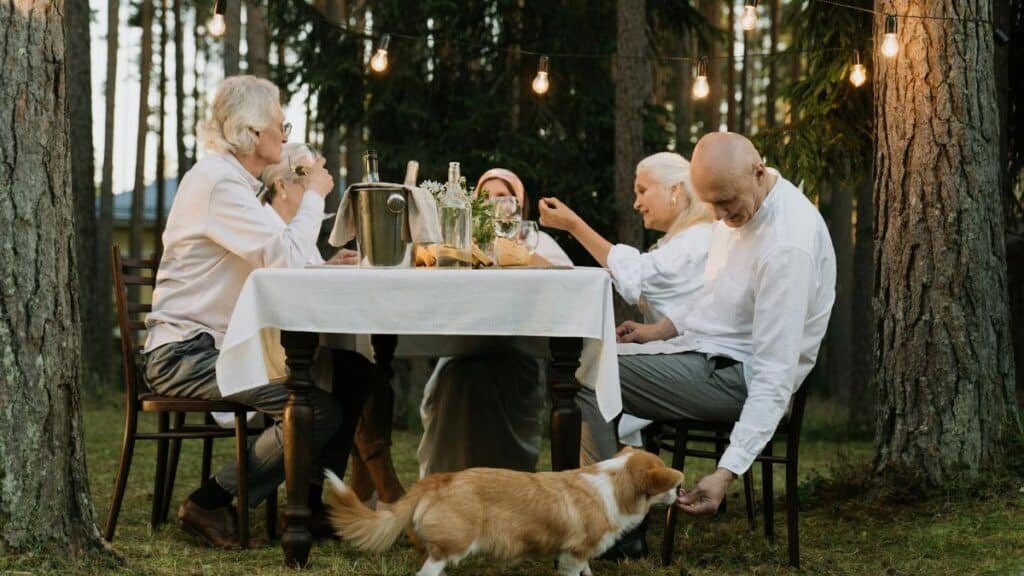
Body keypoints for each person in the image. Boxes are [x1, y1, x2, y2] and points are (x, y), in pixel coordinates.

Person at [576, 133, 836, 558]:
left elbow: (774, 377)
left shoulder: (786, 247)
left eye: (725, 202)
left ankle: (616, 530)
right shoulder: (739, 207)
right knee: (597, 357)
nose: (718, 215)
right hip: (711, 355)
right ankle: (618, 515)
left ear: (757, 172)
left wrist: (727, 471)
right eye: (710, 203)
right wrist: (658, 330)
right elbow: (715, 296)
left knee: (594, 372)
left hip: (740, 377)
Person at [143, 76, 362, 548]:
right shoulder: (217, 183)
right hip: (185, 353)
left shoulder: (238, 185)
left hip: (218, 346)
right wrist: (316, 196)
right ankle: (211, 501)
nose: (286, 133)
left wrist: (325, 263)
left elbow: (287, 257)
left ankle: (306, 506)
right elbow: (281, 257)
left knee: (351, 373)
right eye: (280, 123)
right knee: (315, 409)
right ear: (251, 131)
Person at [539, 152, 713, 448]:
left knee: (586, 369)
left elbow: (639, 272)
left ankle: (601, 481)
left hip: (700, 364)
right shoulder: (683, 238)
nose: (636, 203)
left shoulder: (697, 239)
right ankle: (607, 473)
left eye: (643, 190)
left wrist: (574, 226)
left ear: (675, 189)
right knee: (586, 361)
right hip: (682, 352)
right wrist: (653, 332)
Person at [416, 169, 572, 476]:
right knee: (458, 378)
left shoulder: (537, 242)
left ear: (519, 205)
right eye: (487, 197)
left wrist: (526, 258)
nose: (496, 204)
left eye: (504, 197)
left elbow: (567, 284)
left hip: (520, 351)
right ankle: (447, 486)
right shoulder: (457, 245)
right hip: (461, 351)